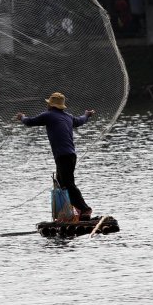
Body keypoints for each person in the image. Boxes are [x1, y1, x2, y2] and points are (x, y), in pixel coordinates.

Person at [15, 92, 95, 220]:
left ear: (51, 106)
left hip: (63, 156)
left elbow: (30, 122)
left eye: (48, 104)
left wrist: (22, 117)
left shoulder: (48, 115)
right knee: (61, 184)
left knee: (68, 184)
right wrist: (87, 115)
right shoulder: (68, 117)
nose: (47, 106)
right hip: (69, 155)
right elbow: (80, 121)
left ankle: (85, 209)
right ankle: (69, 212)